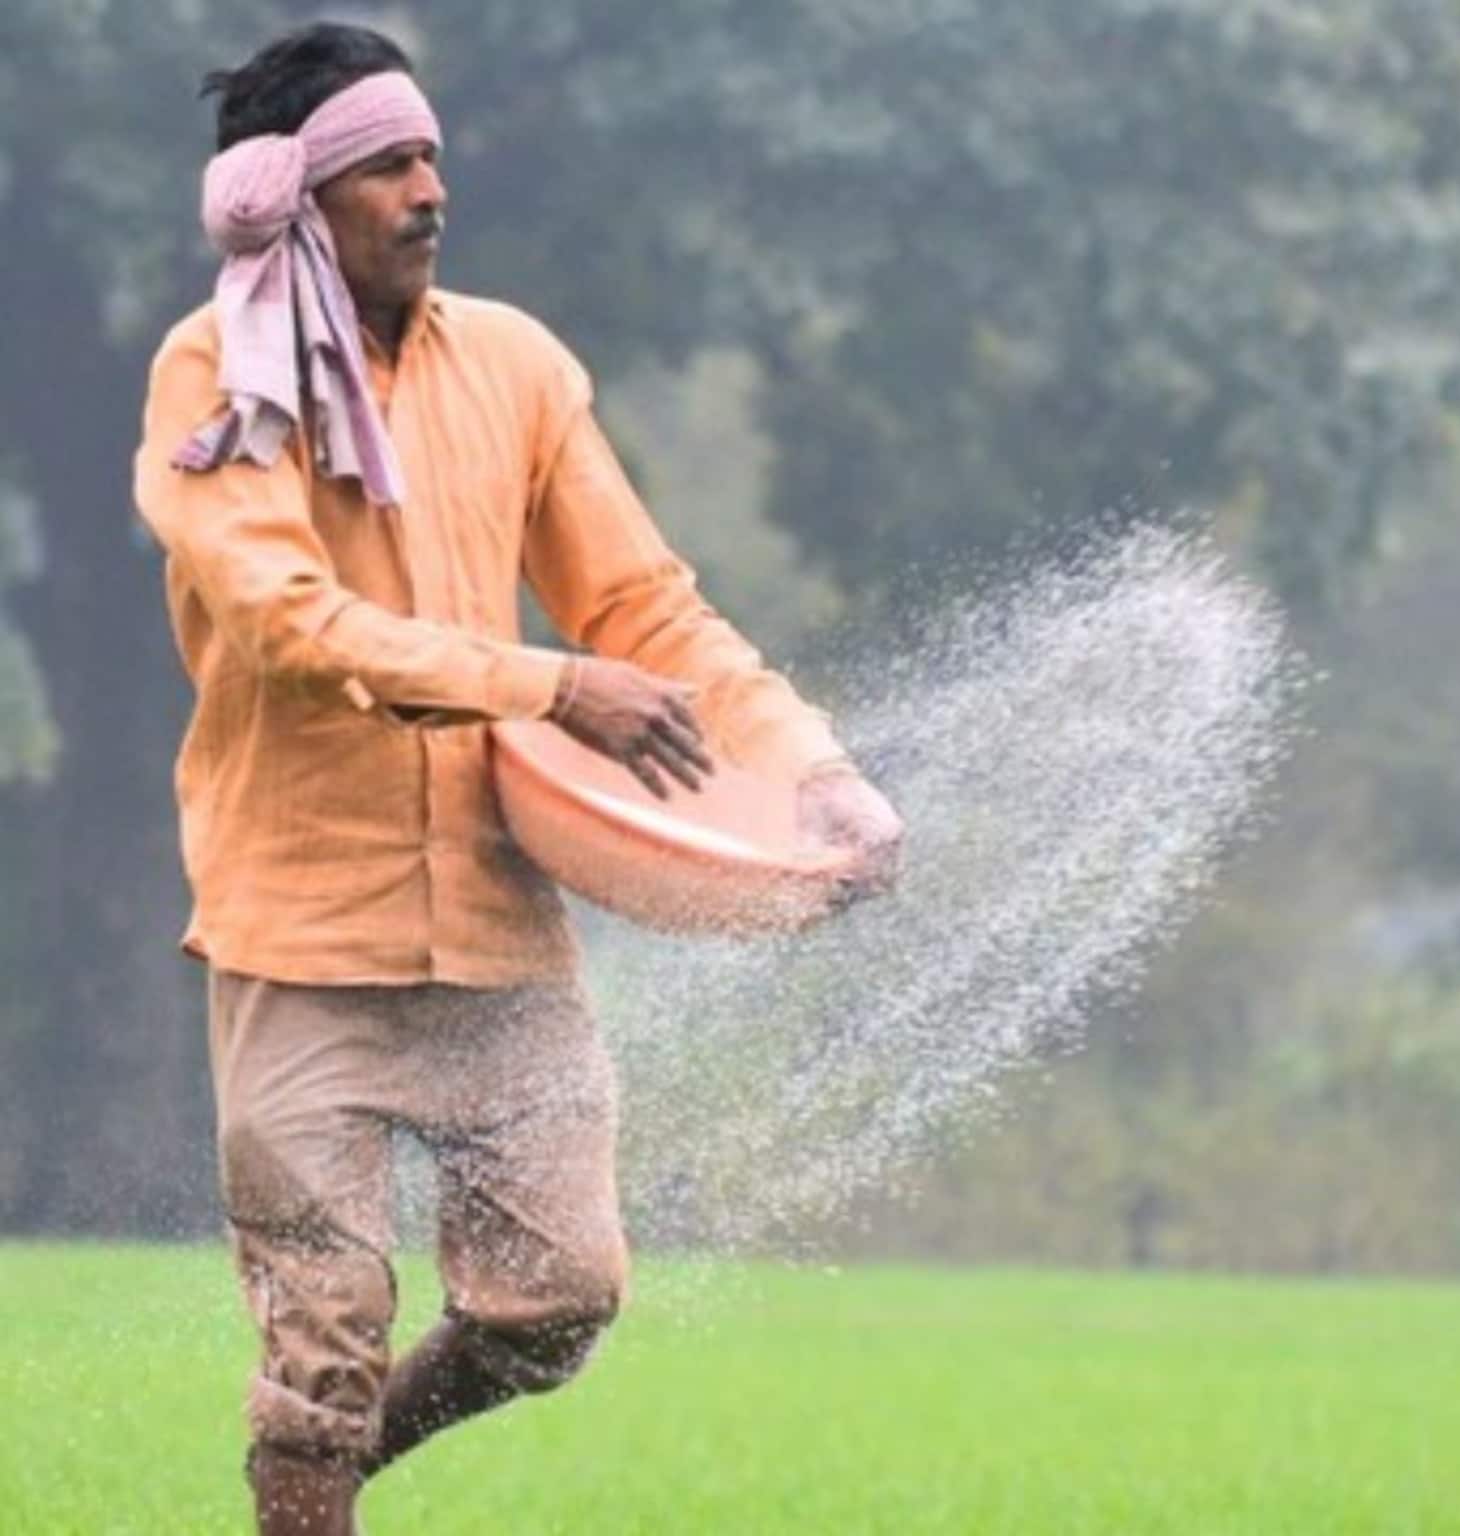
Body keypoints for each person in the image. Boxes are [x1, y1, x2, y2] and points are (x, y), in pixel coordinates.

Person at [131, 22, 904, 1534]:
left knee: (557, 1299)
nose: (428, 190)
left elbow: (648, 609)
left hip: (500, 931)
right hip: (301, 938)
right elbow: (289, 626)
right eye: (385, 167)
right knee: (320, 1342)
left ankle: (330, 1477)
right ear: (293, 199)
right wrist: (550, 685)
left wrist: (817, 771)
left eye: (430, 156)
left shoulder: (520, 364)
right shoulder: (216, 373)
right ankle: (311, 1471)